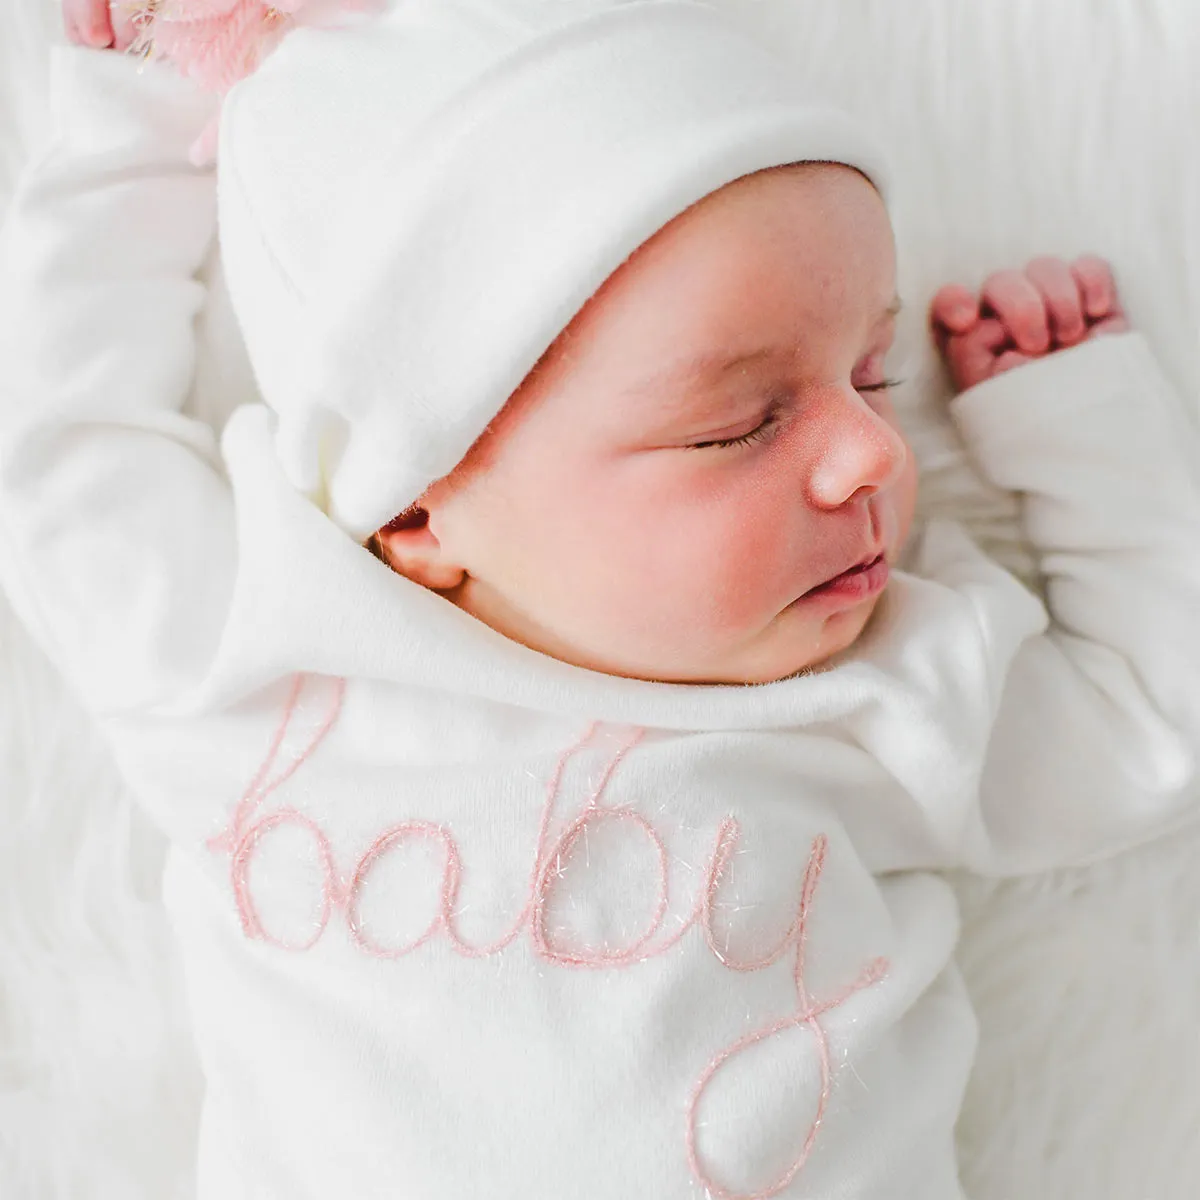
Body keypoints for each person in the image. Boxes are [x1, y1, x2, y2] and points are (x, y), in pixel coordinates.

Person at [3, 0, 1198, 1196]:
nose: (879, 455)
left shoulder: (872, 683)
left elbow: (1145, 731)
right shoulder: (263, 647)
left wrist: (1087, 438)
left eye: (873, 375)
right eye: (741, 424)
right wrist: (144, 105)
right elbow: (57, 454)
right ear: (416, 514)